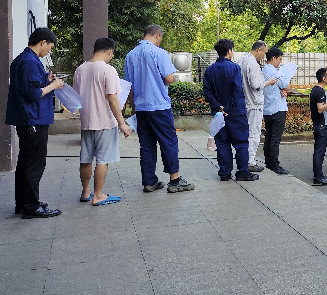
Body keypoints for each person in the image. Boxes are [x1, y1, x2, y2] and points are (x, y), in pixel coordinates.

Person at [124, 25, 195, 193]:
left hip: (140, 107)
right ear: (157, 35)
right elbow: (169, 78)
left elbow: (129, 86)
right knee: (168, 140)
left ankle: (149, 181)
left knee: (146, 144)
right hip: (159, 106)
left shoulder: (130, 55)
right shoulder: (159, 53)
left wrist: (133, 107)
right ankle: (175, 180)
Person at [6, 27, 64, 218]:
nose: (49, 51)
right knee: (34, 164)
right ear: (42, 42)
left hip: (26, 118)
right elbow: (33, 93)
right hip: (34, 119)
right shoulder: (30, 62)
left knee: (24, 162)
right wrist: (54, 85)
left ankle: (23, 203)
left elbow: (30, 85)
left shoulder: (21, 59)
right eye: (50, 47)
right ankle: (31, 206)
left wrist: (46, 79)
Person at [73, 38, 132, 206]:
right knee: (102, 159)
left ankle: (86, 192)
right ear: (109, 52)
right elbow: (113, 98)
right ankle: (98, 195)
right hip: (105, 121)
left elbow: (77, 97)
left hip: (86, 120)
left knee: (86, 158)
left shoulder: (80, 69)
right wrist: (122, 123)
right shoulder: (108, 70)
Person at [203, 39, 259, 182]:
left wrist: (219, 107)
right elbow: (236, 90)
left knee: (222, 143)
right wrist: (228, 107)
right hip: (235, 112)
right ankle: (242, 172)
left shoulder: (210, 70)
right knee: (240, 143)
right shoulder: (234, 68)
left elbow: (207, 92)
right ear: (229, 51)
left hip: (218, 113)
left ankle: (224, 172)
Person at [239, 41, 277, 173]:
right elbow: (257, 84)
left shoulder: (241, 60)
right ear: (259, 50)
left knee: (245, 133)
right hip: (254, 103)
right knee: (254, 133)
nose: (264, 56)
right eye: (264, 53)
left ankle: (245, 160)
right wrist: (268, 82)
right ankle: (250, 161)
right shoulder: (253, 64)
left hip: (244, 101)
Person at [262, 47, 290, 175]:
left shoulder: (263, 71)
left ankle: (268, 162)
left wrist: (281, 90)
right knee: (275, 139)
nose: (280, 62)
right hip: (278, 108)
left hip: (267, 108)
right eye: (279, 59)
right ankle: (275, 165)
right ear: (273, 58)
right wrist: (285, 88)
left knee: (268, 137)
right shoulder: (276, 72)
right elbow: (287, 86)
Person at [309, 68, 327, 185]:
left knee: (319, 150)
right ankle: (318, 176)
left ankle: (319, 174)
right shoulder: (320, 91)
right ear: (323, 78)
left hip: (319, 124)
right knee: (319, 151)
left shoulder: (315, 90)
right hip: (321, 125)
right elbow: (320, 109)